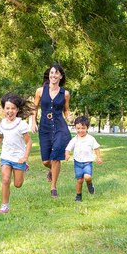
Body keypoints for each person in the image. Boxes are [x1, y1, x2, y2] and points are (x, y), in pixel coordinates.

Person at [30, 63, 72, 198]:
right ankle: (52, 171)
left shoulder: (65, 93)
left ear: (61, 76)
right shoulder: (40, 91)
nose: (53, 75)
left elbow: (66, 109)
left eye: (56, 73)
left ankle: (53, 188)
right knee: (46, 161)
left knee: (55, 158)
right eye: (52, 72)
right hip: (44, 127)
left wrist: (69, 116)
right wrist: (33, 122)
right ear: (49, 74)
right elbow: (34, 108)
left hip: (60, 127)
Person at [0, 93, 33, 214]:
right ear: (3, 110)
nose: (10, 111)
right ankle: (4, 206)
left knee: (18, 184)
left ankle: (24, 167)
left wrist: (25, 157)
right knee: (5, 179)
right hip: (6, 156)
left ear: (17, 110)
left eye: (13, 108)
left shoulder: (21, 124)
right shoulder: (1, 125)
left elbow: (29, 142)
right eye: (7, 108)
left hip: (19, 158)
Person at [65, 115, 103, 202]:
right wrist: (67, 155)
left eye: (83, 128)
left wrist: (99, 157)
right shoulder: (74, 139)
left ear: (87, 128)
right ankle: (78, 196)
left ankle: (90, 184)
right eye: (78, 128)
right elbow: (68, 148)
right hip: (77, 163)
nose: (80, 130)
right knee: (79, 180)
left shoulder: (90, 139)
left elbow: (96, 148)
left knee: (87, 177)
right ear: (75, 128)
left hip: (87, 162)